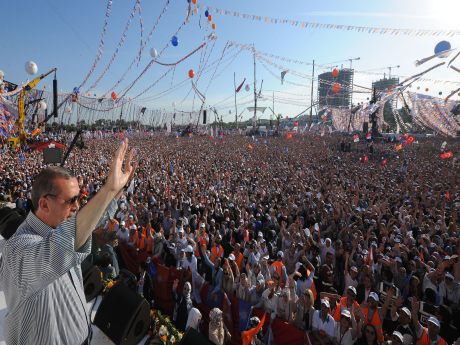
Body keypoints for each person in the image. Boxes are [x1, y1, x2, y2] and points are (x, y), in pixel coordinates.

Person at [0, 138, 136, 344]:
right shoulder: (19, 248)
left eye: (79, 198)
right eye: (71, 200)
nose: (77, 207)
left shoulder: (58, 227)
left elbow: (88, 223)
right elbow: (61, 246)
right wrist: (107, 190)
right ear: (44, 204)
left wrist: (116, 192)